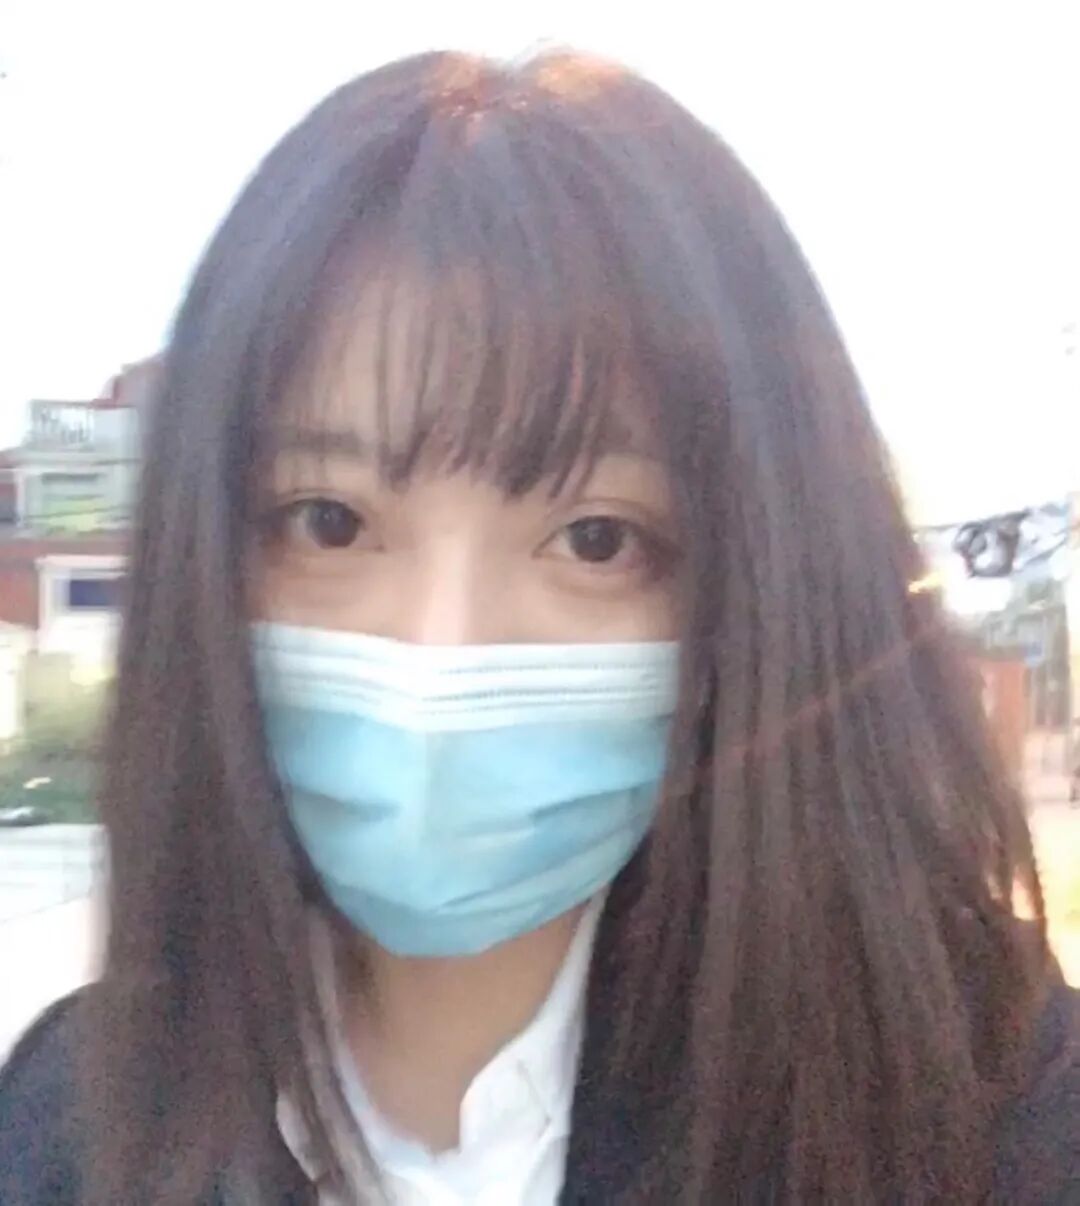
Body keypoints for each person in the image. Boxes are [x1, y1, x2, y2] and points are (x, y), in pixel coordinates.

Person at [1, 50, 1076, 1205]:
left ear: (757, 589)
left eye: (597, 538)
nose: (440, 657)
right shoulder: (70, 1115)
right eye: (329, 521)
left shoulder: (989, 1098)